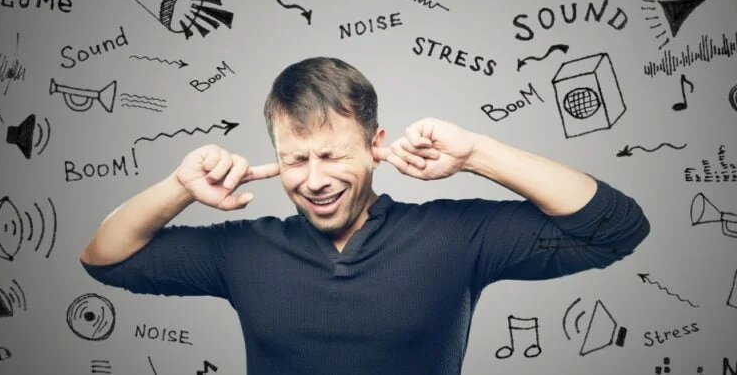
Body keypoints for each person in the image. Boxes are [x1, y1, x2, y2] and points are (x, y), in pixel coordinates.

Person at [80, 57, 650, 374]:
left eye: (332, 154)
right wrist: (181, 187)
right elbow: (105, 259)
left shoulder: (454, 237)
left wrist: (476, 152)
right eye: (295, 159)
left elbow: (615, 228)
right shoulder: (243, 249)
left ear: (375, 144)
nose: (315, 178)